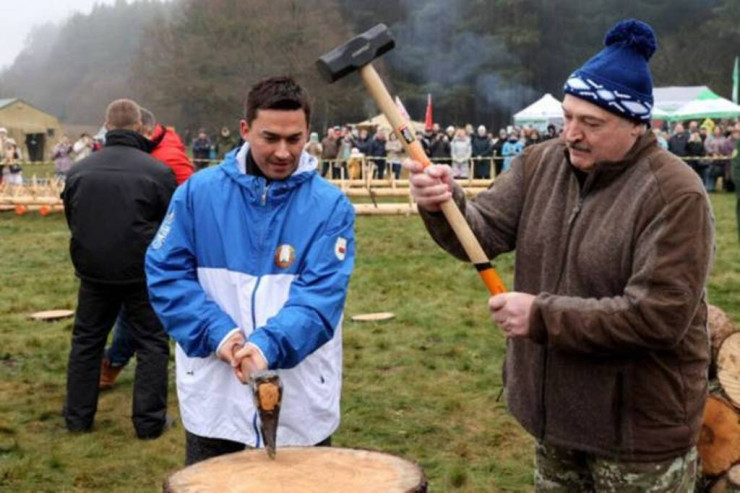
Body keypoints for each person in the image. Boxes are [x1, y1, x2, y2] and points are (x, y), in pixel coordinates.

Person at [405, 19, 712, 491]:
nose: (571, 133)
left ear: (636, 126)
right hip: (555, 418)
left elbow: (658, 316)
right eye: (568, 116)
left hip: (636, 432)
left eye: (591, 123)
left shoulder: (674, 194)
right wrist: (445, 204)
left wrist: (541, 317)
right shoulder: (540, 164)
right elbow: (482, 234)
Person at [145, 76, 355, 465]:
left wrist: (265, 347)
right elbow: (166, 274)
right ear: (245, 130)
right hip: (215, 391)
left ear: (308, 131)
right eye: (269, 137)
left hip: (300, 393)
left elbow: (321, 298)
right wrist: (219, 334)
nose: (283, 152)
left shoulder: (330, 206)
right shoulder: (196, 194)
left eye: (294, 139)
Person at [61, 99, 176, 439]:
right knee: (152, 344)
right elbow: (172, 223)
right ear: (141, 128)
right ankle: (149, 422)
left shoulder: (78, 171)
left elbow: (73, 218)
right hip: (142, 272)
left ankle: (77, 417)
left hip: (94, 271)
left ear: (106, 127)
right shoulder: (157, 173)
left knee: (86, 341)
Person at [99, 107, 195, 390]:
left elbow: (186, 206)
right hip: (146, 247)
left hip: (164, 249)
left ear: (144, 130)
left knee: (141, 313)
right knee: (137, 312)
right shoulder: (156, 154)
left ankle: (114, 363)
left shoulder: (166, 159)